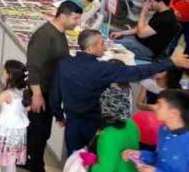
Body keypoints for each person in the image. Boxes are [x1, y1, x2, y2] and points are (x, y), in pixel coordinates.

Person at [52, 29, 189, 157]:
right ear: (91, 48)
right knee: (92, 159)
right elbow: (136, 71)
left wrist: (59, 116)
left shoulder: (64, 64)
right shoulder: (101, 69)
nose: (105, 47)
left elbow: (55, 94)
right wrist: (170, 62)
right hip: (92, 124)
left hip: (72, 122)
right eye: (102, 44)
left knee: (73, 159)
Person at [23, 0, 85, 172]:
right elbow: (33, 67)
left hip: (49, 92)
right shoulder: (44, 36)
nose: (77, 23)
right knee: (39, 132)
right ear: (62, 16)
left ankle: (28, 159)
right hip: (41, 93)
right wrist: (37, 94)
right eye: (75, 19)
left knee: (39, 131)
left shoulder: (59, 33)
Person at [125, 90, 189, 172]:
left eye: (159, 105)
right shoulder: (163, 130)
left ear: (173, 113)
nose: (153, 107)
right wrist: (140, 155)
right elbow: (161, 157)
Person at [110, 0, 180, 61]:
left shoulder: (166, 19)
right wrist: (122, 33)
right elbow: (143, 28)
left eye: (150, 1)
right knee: (112, 33)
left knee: (111, 44)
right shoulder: (162, 12)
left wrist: (143, 13)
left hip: (147, 51)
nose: (147, 4)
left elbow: (141, 34)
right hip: (139, 42)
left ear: (161, 3)